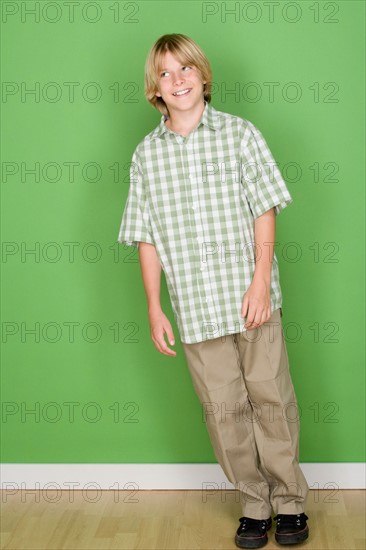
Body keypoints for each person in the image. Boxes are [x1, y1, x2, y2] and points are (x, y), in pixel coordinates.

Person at [117, 33, 309, 549]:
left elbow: (264, 210)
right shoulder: (146, 157)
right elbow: (146, 237)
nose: (177, 79)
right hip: (196, 309)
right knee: (224, 412)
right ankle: (253, 502)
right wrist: (155, 307)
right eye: (165, 72)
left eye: (186, 69)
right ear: (155, 88)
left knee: (271, 400)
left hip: (251, 300)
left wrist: (259, 282)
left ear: (204, 76)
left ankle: (289, 502)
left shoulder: (240, 135)